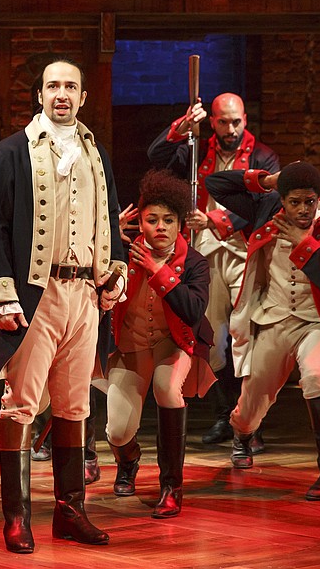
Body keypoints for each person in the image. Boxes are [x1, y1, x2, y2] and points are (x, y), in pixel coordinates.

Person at [0, 56, 127, 553]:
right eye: (52, 86)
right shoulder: (8, 153)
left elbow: (108, 221)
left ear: (83, 97)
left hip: (84, 293)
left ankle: (70, 510)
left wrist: (115, 272)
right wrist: (1, 295)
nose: (61, 94)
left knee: (74, 405)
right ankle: (16, 515)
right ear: (40, 95)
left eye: (70, 87)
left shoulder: (96, 154)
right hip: (33, 294)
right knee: (20, 404)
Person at [205, 161, 320, 501]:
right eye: (295, 201)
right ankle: (243, 435)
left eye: (309, 201)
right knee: (249, 408)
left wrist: (305, 244)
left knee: (317, 375)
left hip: (315, 323)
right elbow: (216, 184)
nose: (303, 210)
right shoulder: (265, 208)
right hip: (272, 319)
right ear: (282, 199)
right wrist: (266, 180)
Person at [148, 93, 280, 448]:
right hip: (203, 251)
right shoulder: (198, 149)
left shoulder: (262, 155)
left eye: (236, 121)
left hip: (242, 249)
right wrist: (182, 126)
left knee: (245, 336)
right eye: (223, 121)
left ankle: (250, 423)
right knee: (214, 336)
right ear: (214, 122)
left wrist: (216, 219)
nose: (231, 129)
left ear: (245, 119)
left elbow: (265, 201)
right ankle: (225, 417)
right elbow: (157, 156)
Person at [105, 168, 215, 518]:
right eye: (152, 219)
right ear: (141, 222)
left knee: (168, 389)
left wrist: (157, 269)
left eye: (169, 219)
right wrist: (107, 237)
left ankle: (171, 486)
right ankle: (129, 459)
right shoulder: (121, 253)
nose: (161, 227)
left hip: (173, 344)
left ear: (181, 223)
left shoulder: (194, 263)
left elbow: (193, 310)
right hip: (131, 345)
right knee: (119, 430)